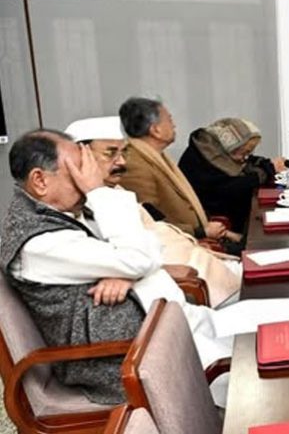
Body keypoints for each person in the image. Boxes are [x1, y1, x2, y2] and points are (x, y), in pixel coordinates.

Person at [0, 129, 232, 404]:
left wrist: (126, 275)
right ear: (40, 180)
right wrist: (98, 194)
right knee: (249, 374)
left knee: (259, 332)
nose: (90, 178)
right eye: (79, 170)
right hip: (124, 357)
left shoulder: (63, 209)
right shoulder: (38, 242)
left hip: (159, 329)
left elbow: (152, 245)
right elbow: (140, 257)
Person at [65, 116, 242, 307]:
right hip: (192, 286)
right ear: (81, 157)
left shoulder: (114, 189)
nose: (122, 162)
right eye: (111, 154)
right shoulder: (78, 204)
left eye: (123, 153)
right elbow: (129, 259)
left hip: (210, 265)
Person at [117, 97, 243, 252]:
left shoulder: (155, 156)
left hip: (196, 240)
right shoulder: (135, 165)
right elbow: (150, 222)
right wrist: (200, 232)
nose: (174, 125)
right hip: (179, 249)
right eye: (169, 120)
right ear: (155, 130)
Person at [178, 118, 278, 234]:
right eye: (245, 152)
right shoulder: (204, 159)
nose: (245, 158)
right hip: (211, 222)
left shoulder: (217, 149)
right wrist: (268, 170)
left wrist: (267, 166)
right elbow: (233, 187)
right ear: (233, 146)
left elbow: (249, 163)